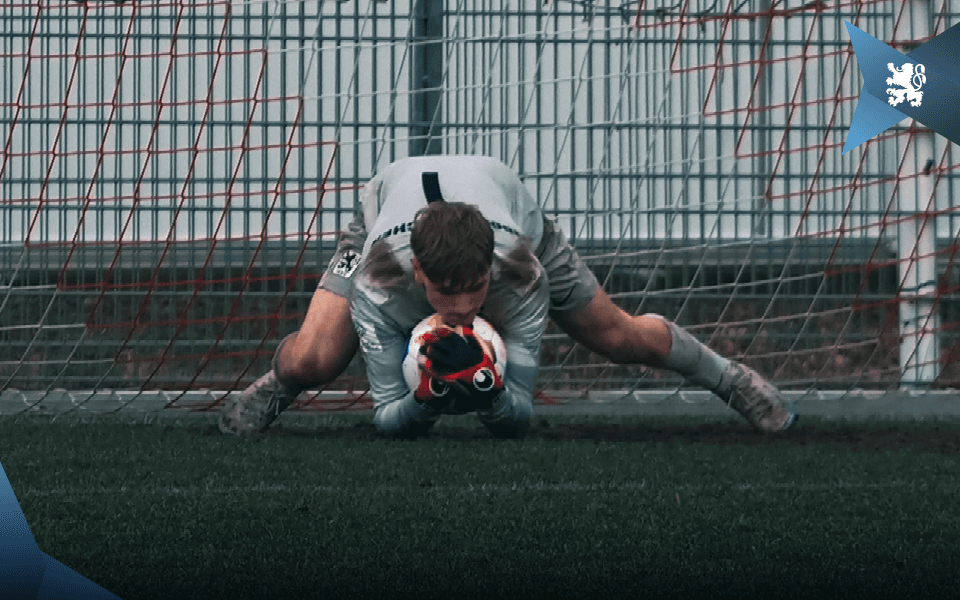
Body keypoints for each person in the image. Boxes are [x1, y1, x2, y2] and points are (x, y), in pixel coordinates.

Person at [219, 155, 797, 439]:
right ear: (418, 272)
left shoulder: (520, 270)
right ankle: (277, 386)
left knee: (617, 335)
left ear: (488, 271)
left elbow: (517, 416)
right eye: (447, 292)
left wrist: (491, 392)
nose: (466, 306)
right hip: (377, 215)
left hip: (512, 215)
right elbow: (387, 418)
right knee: (315, 359)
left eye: (475, 289)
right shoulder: (379, 277)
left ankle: (732, 379)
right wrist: (427, 399)